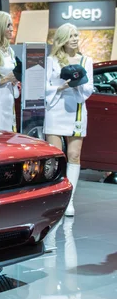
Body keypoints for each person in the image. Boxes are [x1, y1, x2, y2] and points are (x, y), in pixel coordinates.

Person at [44, 23, 94, 217]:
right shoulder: (51, 60)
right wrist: (60, 87)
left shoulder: (86, 60)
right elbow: (45, 85)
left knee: (73, 155)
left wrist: (77, 85)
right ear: (63, 39)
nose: (75, 38)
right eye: (71, 35)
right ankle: (53, 198)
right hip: (55, 110)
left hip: (76, 111)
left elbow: (89, 88)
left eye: (76, 35)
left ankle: (69, 200)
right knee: (56, 156)